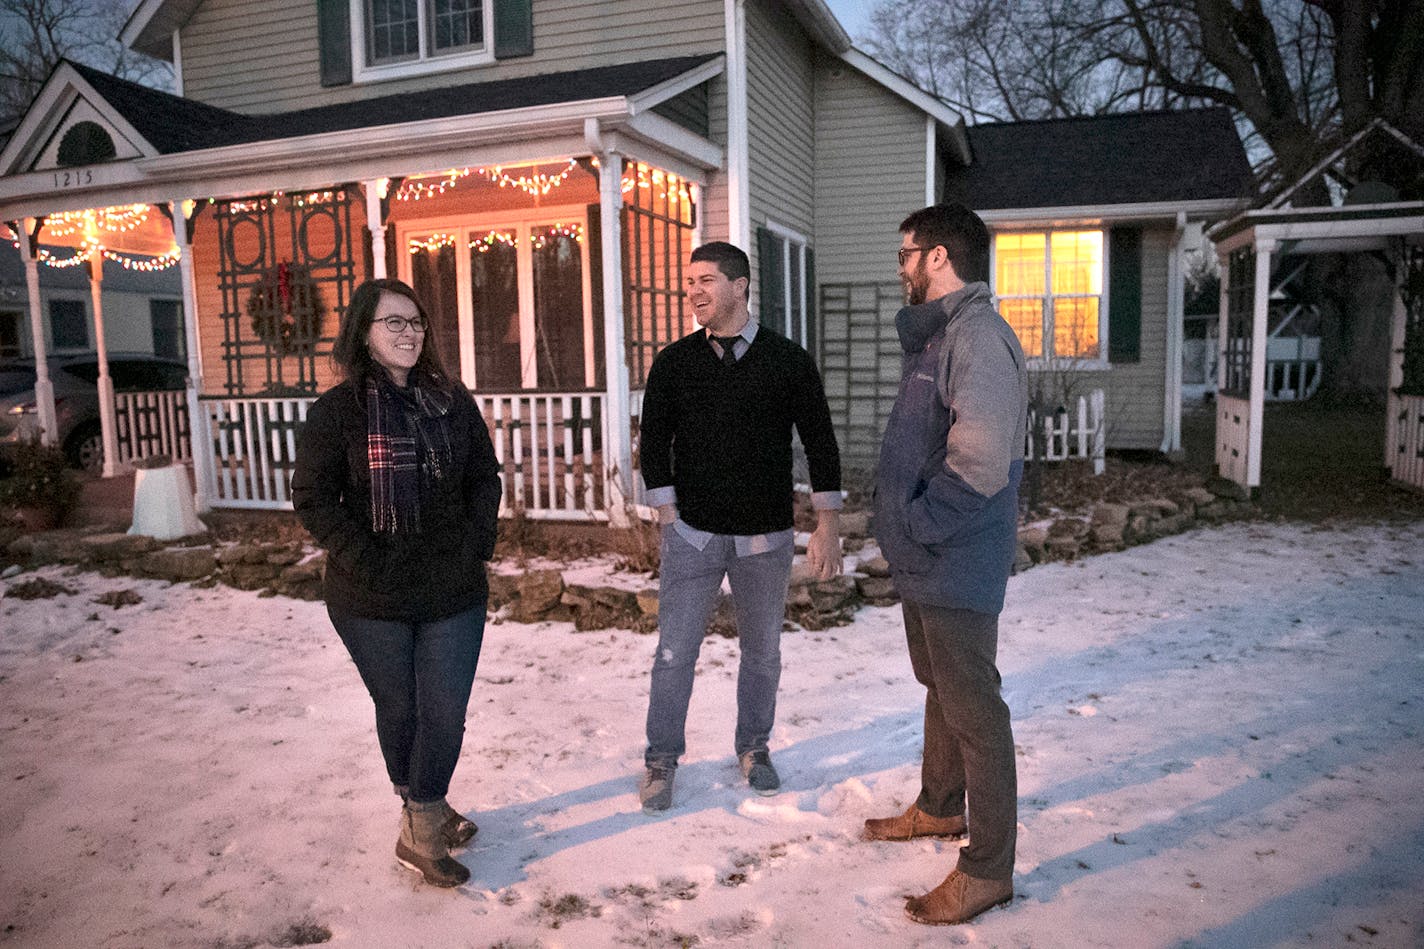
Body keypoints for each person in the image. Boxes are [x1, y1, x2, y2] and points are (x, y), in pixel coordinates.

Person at [292, 278, 502, 888]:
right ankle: (424, 815)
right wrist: (370, 562)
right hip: (371, 594)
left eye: (416, 323)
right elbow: (313, 500)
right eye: (394, 323)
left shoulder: (451, 401)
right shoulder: (337, 413)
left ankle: (423, 816)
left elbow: (484, 478)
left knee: (445, 711)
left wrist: (475, 545)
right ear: (364, 331)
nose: (409, 333)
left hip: (452, 586)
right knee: (401, 708)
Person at [864, 204, 1028, 924]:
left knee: (975, 708)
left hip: (954, 553)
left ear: (937, 258)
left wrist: (918, 525)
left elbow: (982, 459)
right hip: (928, 555)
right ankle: (938, 806)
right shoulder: (941, 337)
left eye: (907, 253)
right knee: (940, 683)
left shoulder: (979, 337)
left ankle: (989, 868)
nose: (900, 265)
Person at [637, 241, 843, 812]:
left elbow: (820, 442)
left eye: (705, 280)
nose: (693, 292)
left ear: (740, 285)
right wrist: (669, 513)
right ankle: (660, 760)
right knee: (675, 654)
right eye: (689, 283)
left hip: (764, 540)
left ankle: (754, 748)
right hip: (693, 537)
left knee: (763, 654)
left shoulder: (788, 361)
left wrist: (828, 523)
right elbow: (653, 440)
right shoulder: (674, 363)